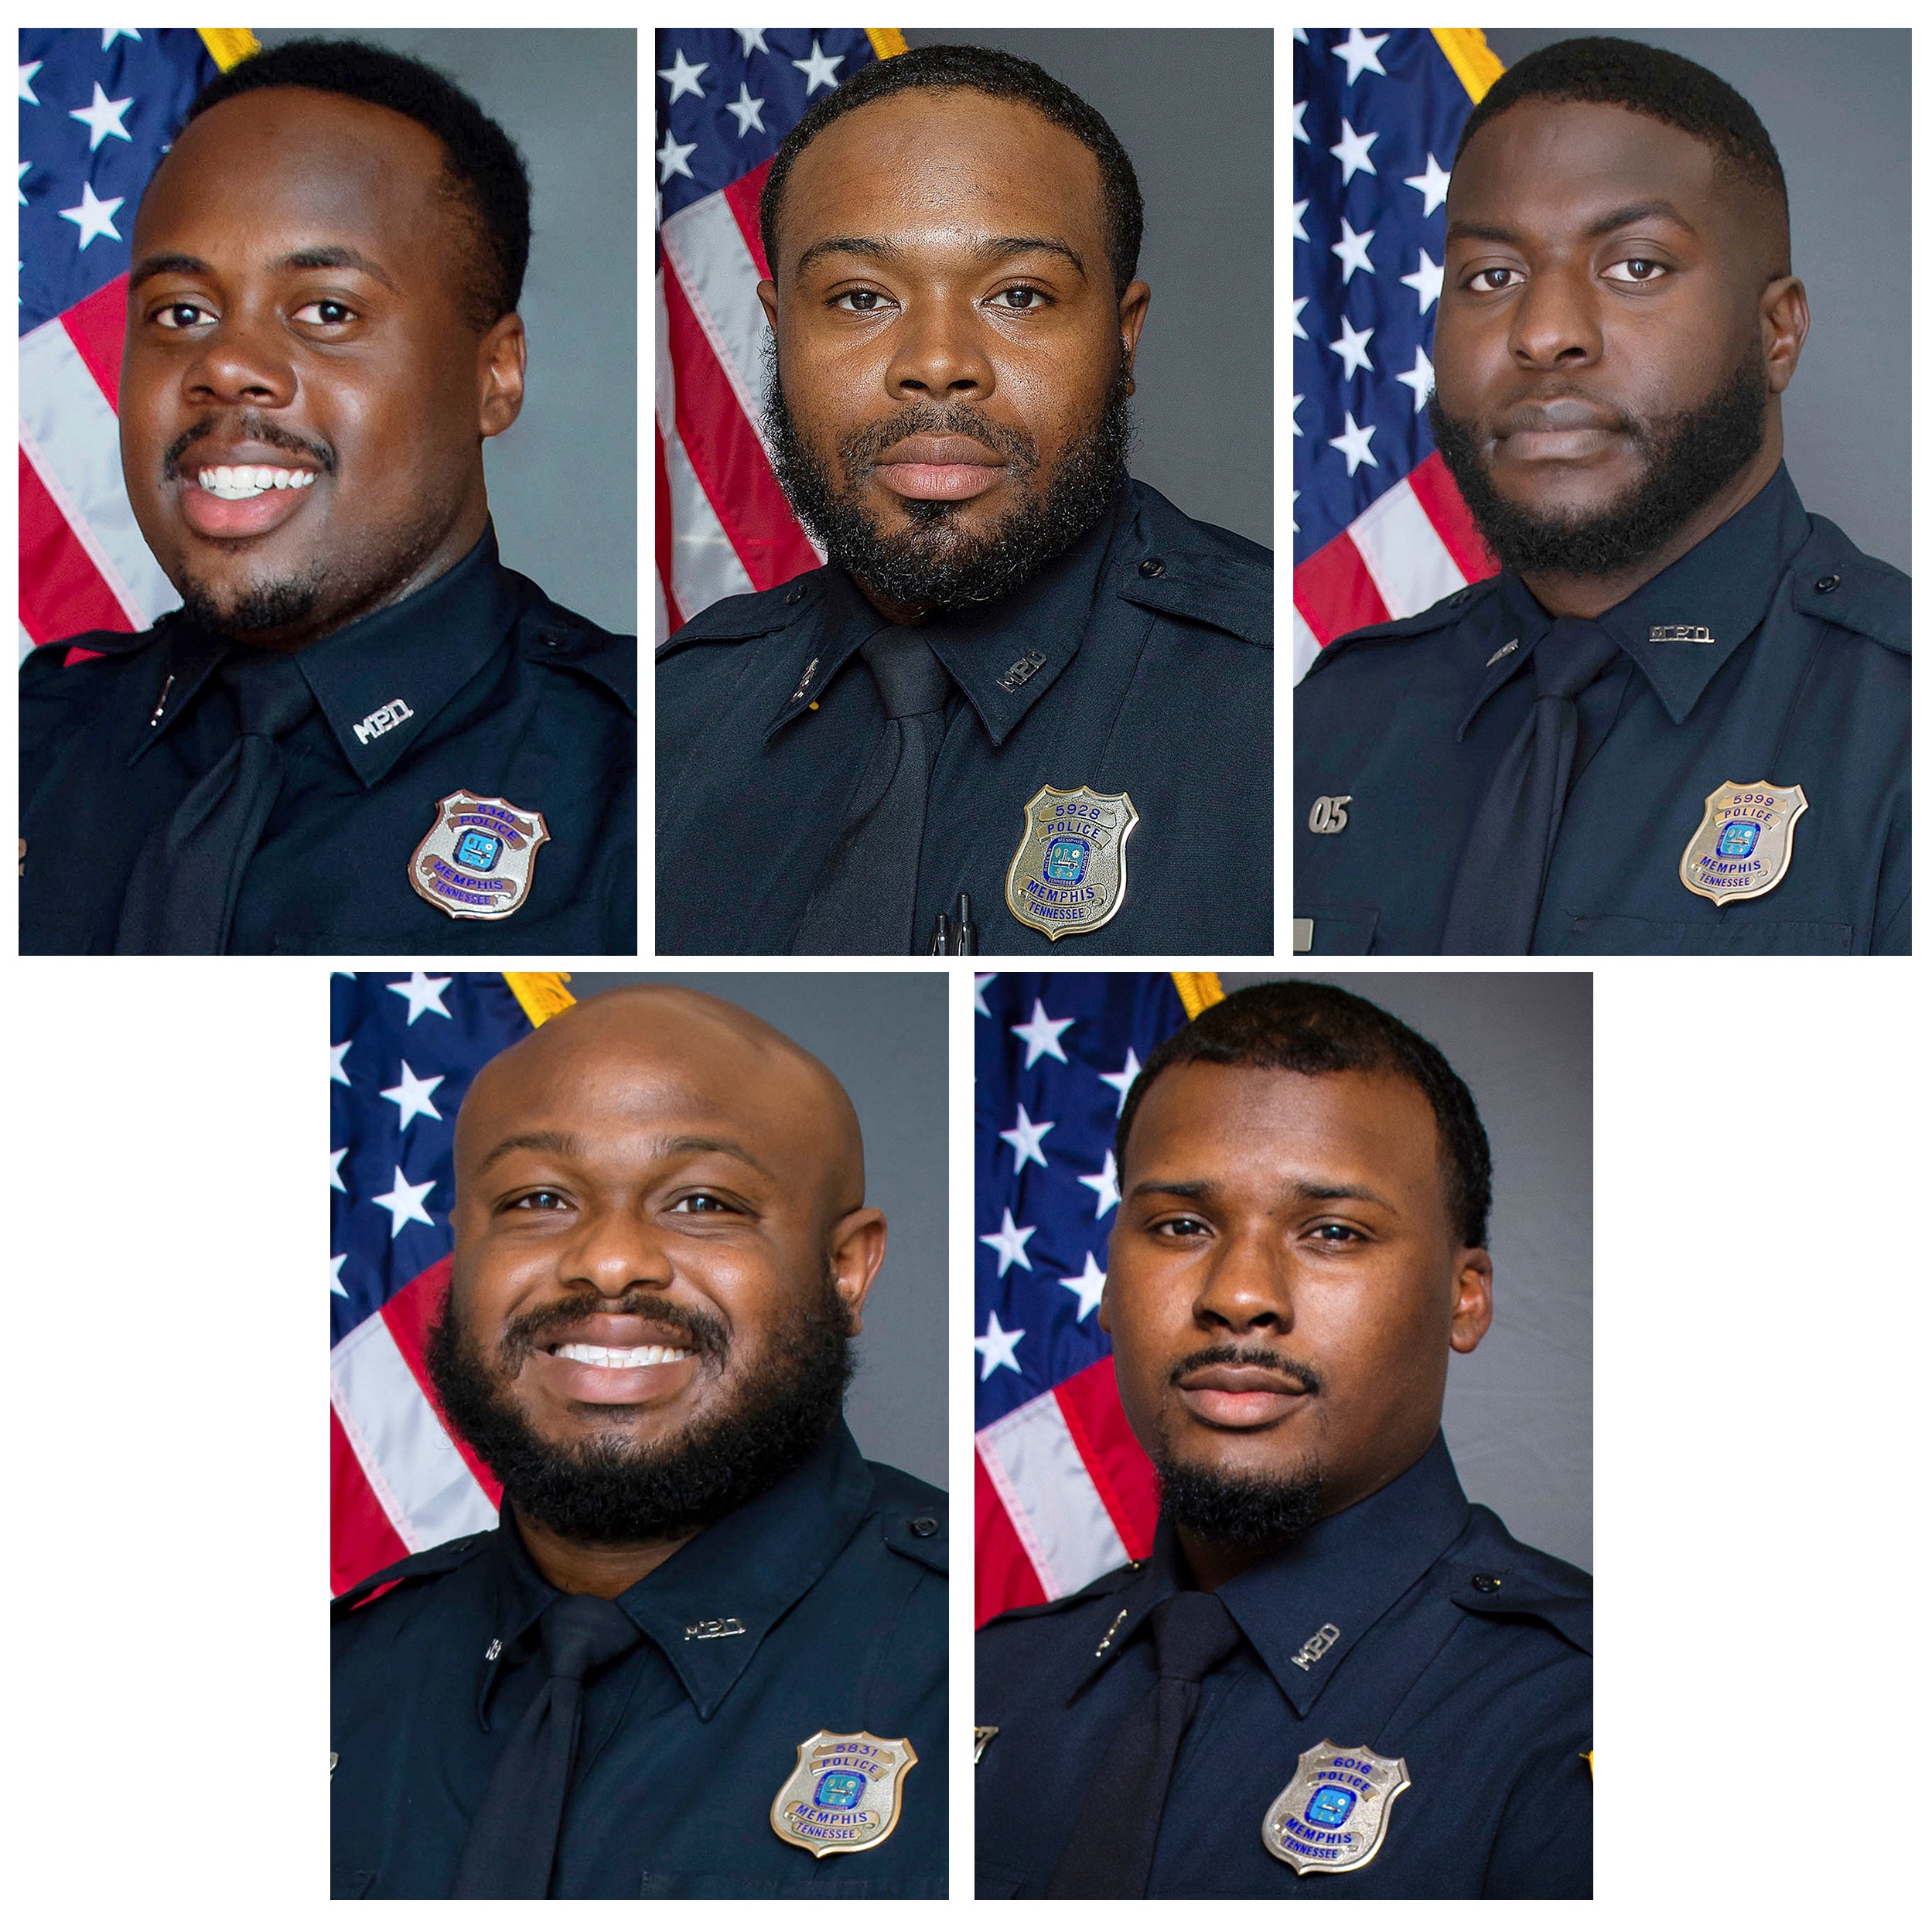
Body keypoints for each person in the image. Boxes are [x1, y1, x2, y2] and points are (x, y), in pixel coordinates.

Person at [975, 979, 1589, 1899]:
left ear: (1464, 1296)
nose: (1238, 1292)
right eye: (1180, 1225)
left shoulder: (1574, 1711)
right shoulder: (987, 1681)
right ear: (1106, 1282)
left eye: (1332, 1232)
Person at [1295, 37, 1908, 956]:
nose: (1542, 333)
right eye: (1491, 277)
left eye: (1634, 267)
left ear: (1776, 332)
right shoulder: (1333, 720)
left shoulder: (1900, 719)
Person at [20, 39, 635, 954]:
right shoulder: (33, 740)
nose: (224, 364)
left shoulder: (646, 777)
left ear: (494, 376)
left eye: (327, 311)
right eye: (180, 313)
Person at [657, 43, 1272, 955]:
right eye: (860, 298)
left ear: (1123, 338)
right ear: (777, 332)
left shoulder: (1281, 696)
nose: (937, 363)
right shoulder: (675, 714)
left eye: (1017, 294)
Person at [332, 985, 946, 1899]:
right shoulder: (337, 1674)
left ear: (844, 1268)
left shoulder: (976, 1662)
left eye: (701, 1201)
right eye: (538, 1197)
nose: (609, 1260)